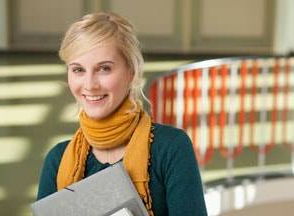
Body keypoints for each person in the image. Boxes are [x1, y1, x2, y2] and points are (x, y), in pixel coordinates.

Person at [36, 12, 207, 216]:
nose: (90, 85)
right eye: (78, 70)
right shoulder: (57, 160)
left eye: (104, 68)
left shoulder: (171, 148)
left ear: (131, 72)